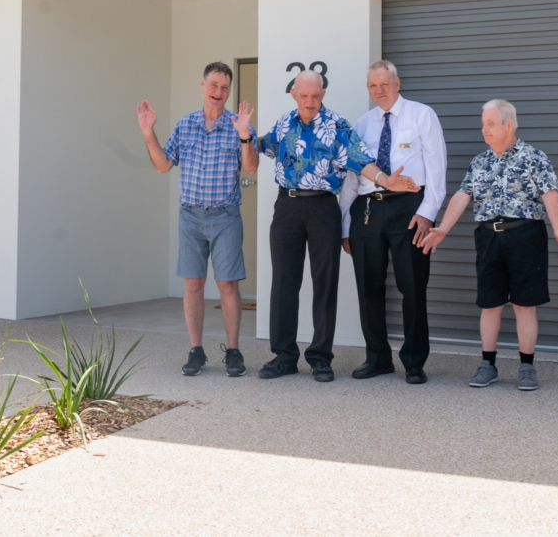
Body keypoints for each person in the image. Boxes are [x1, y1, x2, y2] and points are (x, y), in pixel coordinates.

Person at [257, 70, 418, 382]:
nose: (310, 101)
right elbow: (260, 146)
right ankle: (284, 356)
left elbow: (361, 161)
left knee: (325, 283)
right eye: (304, 95)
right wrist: (243, 135)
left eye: (315, 95)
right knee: (284, 282)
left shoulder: (339, 125)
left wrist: (386, 180)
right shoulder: (283, 123)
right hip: (287, 206)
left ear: (323, 94)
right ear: (294, 95)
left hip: (322, 207)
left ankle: (320, 358)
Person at [422, 99, 558, 391]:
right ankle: (487, 364)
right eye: (483, 124)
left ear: (509, 125)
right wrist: (442, 228)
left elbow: (550, 193)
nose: (484, 130)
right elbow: (462, 196)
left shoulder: (534, 157)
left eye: (490, 124)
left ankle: (526, 366)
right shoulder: (480, 162)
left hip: (525, 235)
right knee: (489, 304)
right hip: (488, 237)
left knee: (524, 305)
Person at [137, 61, 258, 378]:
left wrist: (245, 135)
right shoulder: (184, 124)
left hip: (225, 216)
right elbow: (163, 165)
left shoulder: (238, 124)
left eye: (224, 87)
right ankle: (196, 350)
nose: (219, 92)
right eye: (214, 85)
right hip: (190, 216)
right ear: (203, 86)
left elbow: (252, 167)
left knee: (227, 285)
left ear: (229, 91)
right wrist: (149, 132)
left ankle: (233, 351)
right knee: (193, 285)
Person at [340, 60, 447, 385]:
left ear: (397, 83)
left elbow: (437, 168)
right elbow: (350, 178)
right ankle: (378, 358)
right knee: (368, 286)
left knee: (412, 285)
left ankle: (414, 361)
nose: (379, 91)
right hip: (368, 210)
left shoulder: (422, 115)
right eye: (373, 86)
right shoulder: (361, 124)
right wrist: (346, 225)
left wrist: (428, 213)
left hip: (410, 209)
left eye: (384, 84)